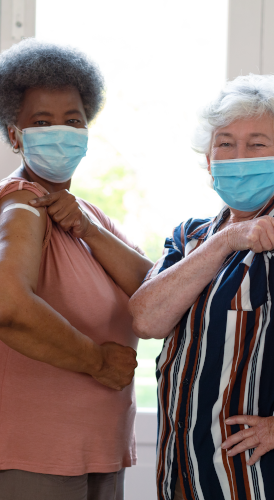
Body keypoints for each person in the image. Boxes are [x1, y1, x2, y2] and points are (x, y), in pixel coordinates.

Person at [129, 74, 274, 500]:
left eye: (256, 144)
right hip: (183, 471)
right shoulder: (191, 236)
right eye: (225, 142)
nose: (238, 155)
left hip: (259, 477)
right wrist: (229, 239)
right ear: (208, 157)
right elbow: (146, 318)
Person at [0, 39, 153, 499]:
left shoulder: (83, 215)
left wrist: (86, 228)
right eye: (42, 122)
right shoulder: (22, 206)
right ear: (14, 135)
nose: (61, 132)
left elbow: (156, 291)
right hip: (37, 456)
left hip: (96, 452)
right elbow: (7, 306)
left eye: (73, 121)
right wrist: (96, 361)